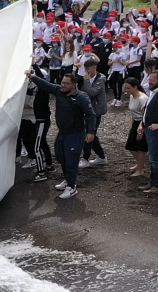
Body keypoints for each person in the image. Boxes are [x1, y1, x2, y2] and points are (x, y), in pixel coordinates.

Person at [26, 71, 97, 199]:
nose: (63, 85)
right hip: (62, 132)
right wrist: (32, 76)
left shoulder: (81, 97)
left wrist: (91, 132)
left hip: (75, 133)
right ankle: (67, 180)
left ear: (74, 85)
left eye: (66, 83)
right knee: (61, 157)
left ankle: (72, 186)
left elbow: (91, 114)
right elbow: (45, 84)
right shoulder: (59, 91)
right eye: (62, 82)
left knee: (71, 159)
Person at [80, 59, 108, 168]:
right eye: (85, 69)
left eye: (88, 69)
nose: (86, 71)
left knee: (89, 133)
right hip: (88, 110)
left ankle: (85, 158)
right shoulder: (85, 78)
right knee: (92, 133)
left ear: (94, 68)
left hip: (96, 111)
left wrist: (86, 81)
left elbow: (91, 93)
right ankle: (101, 157)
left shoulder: (100, 79)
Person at [123, 77, 148, 176]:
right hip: (136, 122)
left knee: (141, 148)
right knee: (130, 146)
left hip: (143, 123)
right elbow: (134, 113)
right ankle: (140, 164)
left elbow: (146, 115)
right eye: (125, 88)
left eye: (128, 88)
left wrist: (142, 127)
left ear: (135, 87)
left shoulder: (142, 98)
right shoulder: (132, 96)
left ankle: (140, 169)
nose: (126, 90)